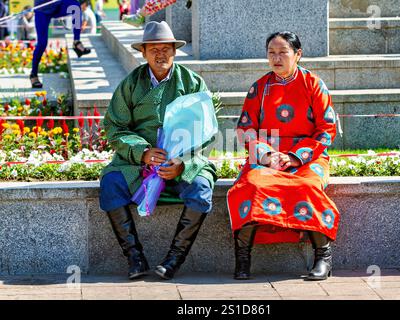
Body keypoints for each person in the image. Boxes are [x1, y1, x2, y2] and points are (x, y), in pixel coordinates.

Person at [100, 21, 217, 280]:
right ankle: (135, 257)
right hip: (139, 164)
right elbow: (114, 127)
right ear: (143, 53)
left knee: (200, 186)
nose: (160, 54)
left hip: (181, 162)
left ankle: (174, 259)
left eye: (166, 48)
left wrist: (182, 161)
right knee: (111, 182)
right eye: (154, 49)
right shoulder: (131, 83)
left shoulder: (192, 82)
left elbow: (206, 131)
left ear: (174, 51)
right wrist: (142, 151)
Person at [227, 31, 340, 281]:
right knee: (252, 185)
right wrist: (267, 156)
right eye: (271, 53)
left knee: (307, 185)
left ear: (298, 54)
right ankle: (243, 257)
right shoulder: (259, 87)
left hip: (307, 157)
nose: (276, 58)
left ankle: (323, 257)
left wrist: (296, 156)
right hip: (267, 157)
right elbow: (246, 128)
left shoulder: (314, 84)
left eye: (283, 52)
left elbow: (327, 128)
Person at [30, 0, 91, 88]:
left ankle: (76, 42)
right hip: (42, 10)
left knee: (76, 7)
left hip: (58, 5)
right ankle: (33, 74)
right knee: (42, 44)